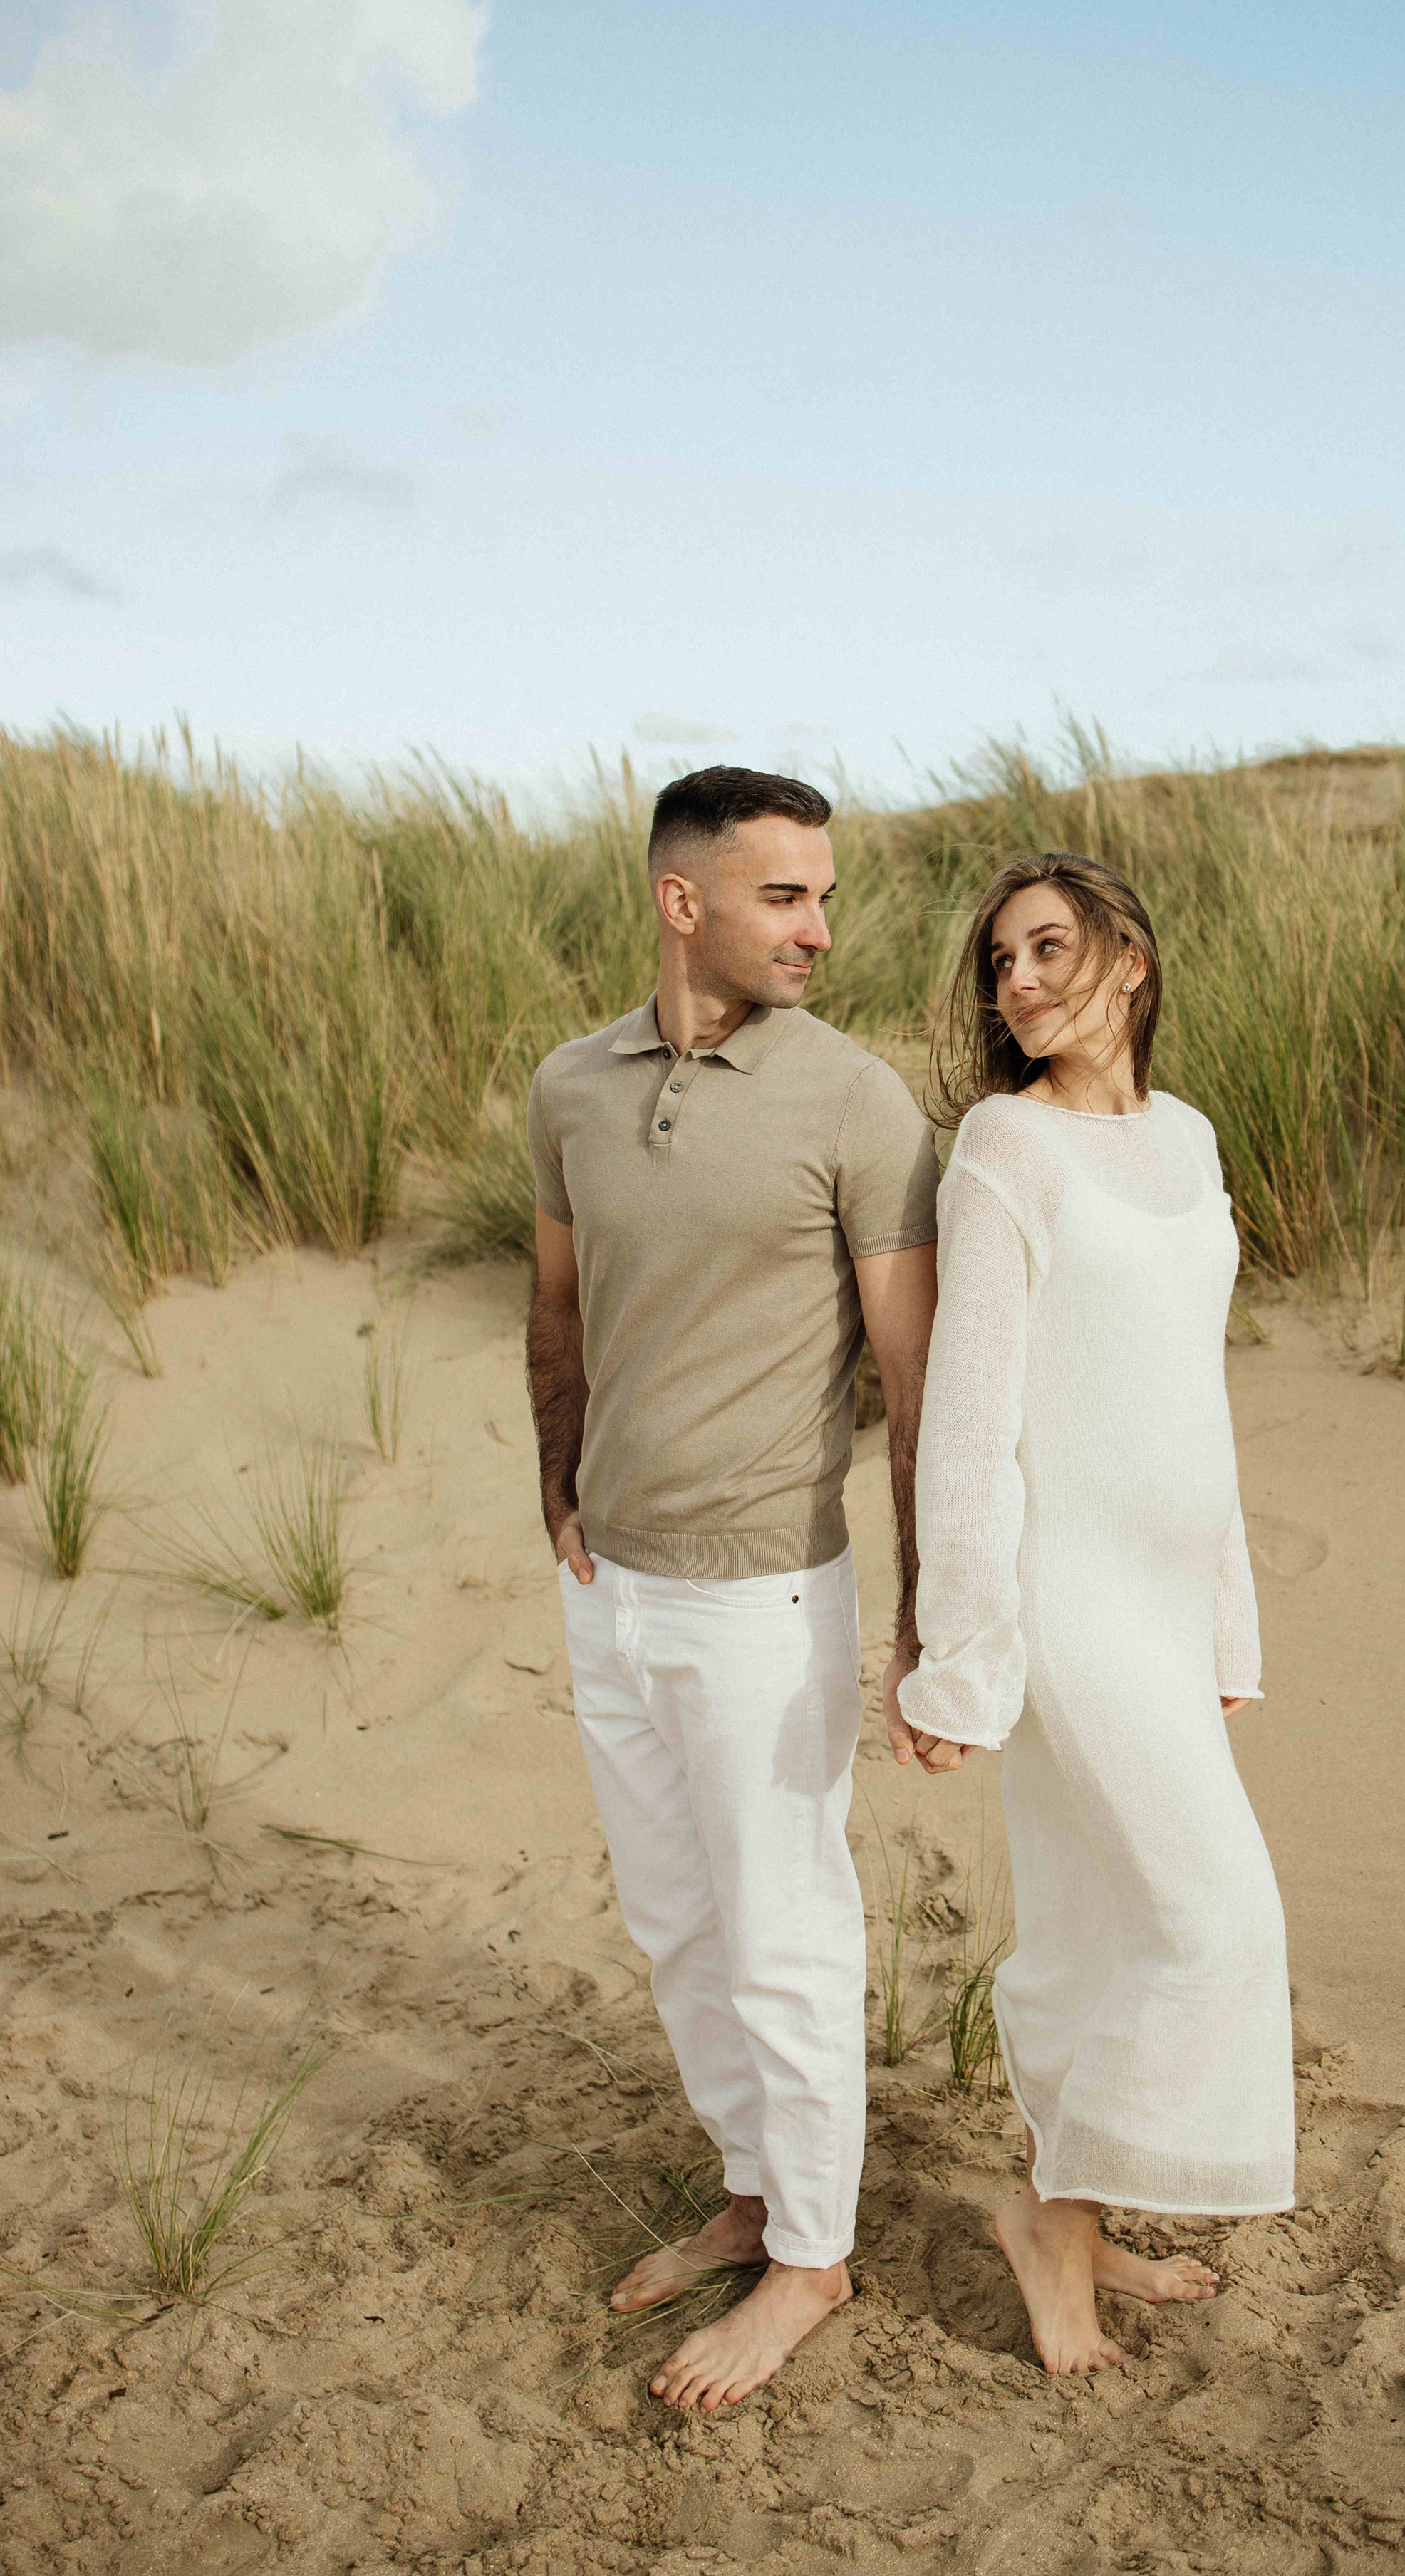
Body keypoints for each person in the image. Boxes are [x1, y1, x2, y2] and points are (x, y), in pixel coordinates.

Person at [524, 767, 939, 2414]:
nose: (819, 926)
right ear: (680, 899)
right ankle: (754, 2186)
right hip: (605, 1584)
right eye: (785, 895)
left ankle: (815, 2258)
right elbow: (556, 1306)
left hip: (764, 1596)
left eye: (825, 894)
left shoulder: (857, 1101)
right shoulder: (571, 1084)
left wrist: (923, 1616)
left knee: (782, 1932)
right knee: (676, 1920)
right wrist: (552, 1475)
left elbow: (912, 1382)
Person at [887, 850, 1295, 2377]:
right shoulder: (1003, 1146)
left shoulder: (1183, 1139)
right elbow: (967, 1422)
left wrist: (1227, 1623)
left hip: (1164, 1589)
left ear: (1128, 957)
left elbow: (1196, 1399)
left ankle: (1085, 2202)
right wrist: (959, 1660)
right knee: (1215, 1918)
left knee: (1116, 1920)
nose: (1019, 981)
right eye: (999, 962)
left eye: (1047, 948)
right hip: (1067, 1601)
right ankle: (1048, 2220)